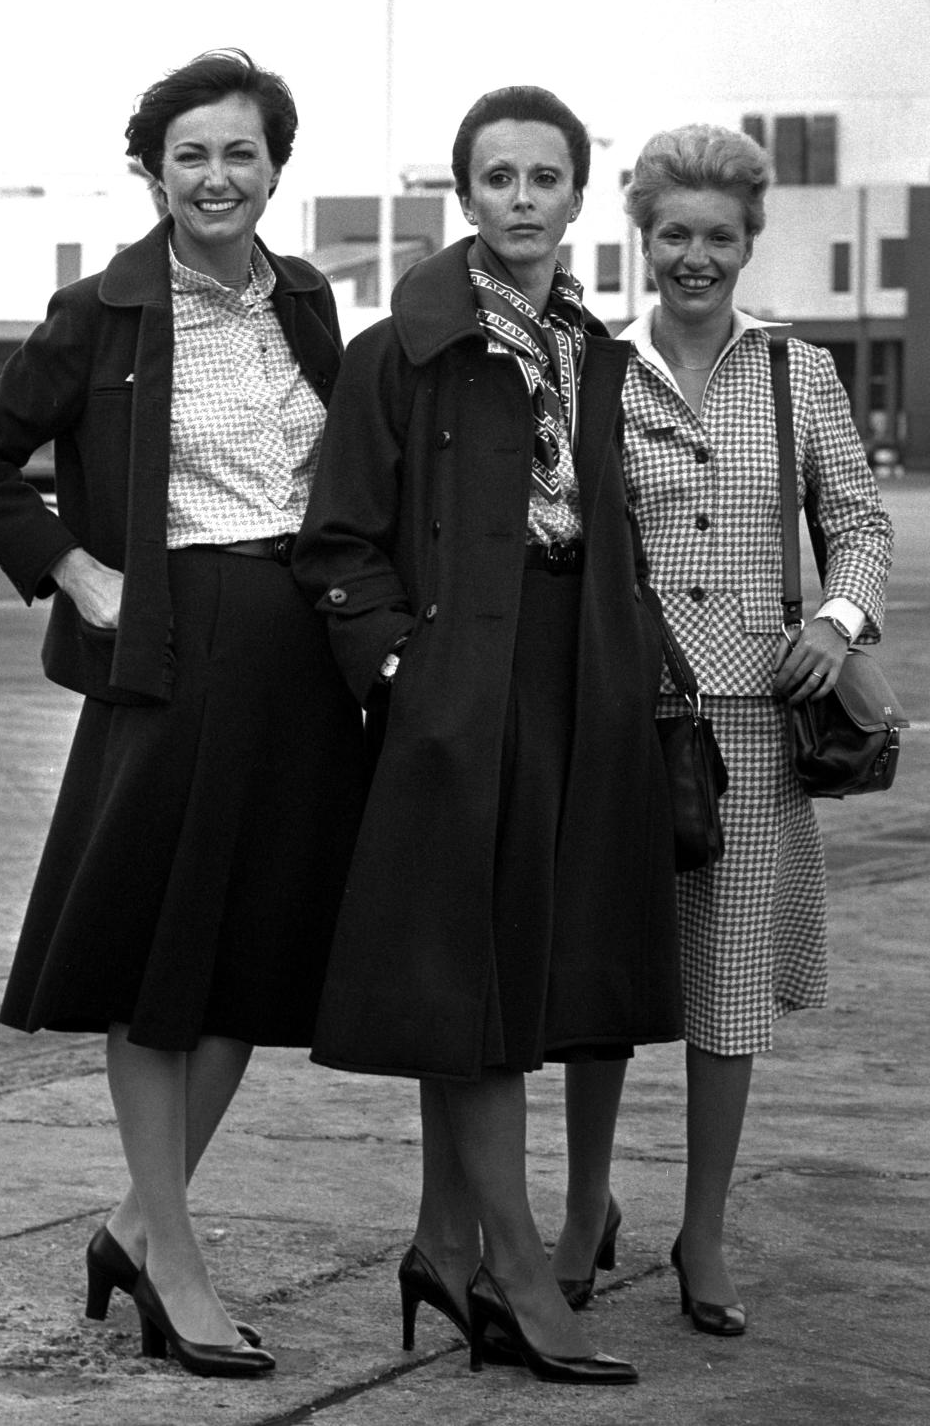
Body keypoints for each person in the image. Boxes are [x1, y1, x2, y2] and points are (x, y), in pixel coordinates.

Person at [0, 50, 366, 1378]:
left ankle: (141, 1225)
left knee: (252, 956)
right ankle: (178, 1260)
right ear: (152, 170)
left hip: (302, 664)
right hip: (171, 659)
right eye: (191, 153)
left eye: (241, 153)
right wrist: (73, 566)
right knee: (154, 963)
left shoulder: (309, 301)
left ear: (274, 168)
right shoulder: (102, 311)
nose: (217, 176)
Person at [293, 86, 682, 1386]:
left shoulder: (599, 349)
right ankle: (513, 1262)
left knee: (534, 965)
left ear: (578, 194)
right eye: (498, 177)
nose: (521, 197)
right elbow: (338, 535)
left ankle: (437, 1244)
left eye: (545, 177)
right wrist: (402, 660)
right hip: (466, 683)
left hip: (586, 677)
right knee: (472, 972)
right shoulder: (400, 347)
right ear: (467, 194)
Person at [551, 123, 893, 1336]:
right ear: (643, 238)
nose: (696, 257)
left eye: (721, 237)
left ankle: (704, 1230)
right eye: (675, 234)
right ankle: (585, 1208)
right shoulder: (592, 367)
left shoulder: (798, 374)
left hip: (755, 730)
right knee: (601, 981)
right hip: (619, 723)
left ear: (752, 242)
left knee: (726, 995)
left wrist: (840, 619)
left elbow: (859, 521)